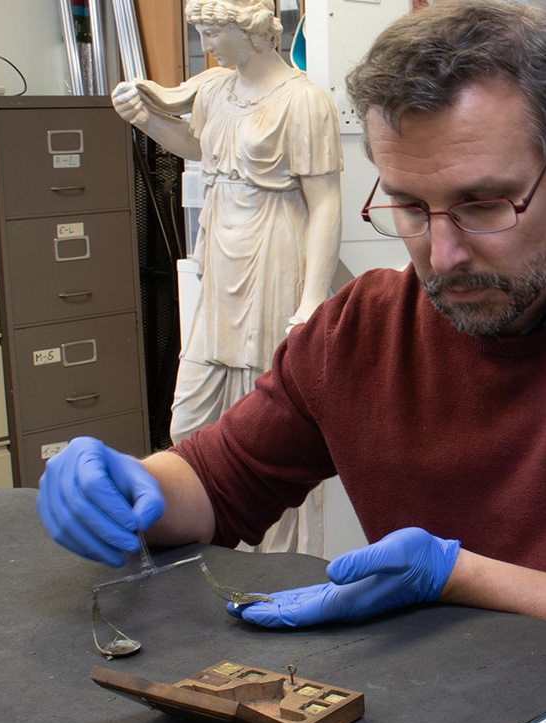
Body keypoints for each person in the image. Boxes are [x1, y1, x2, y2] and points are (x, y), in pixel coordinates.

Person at [39, 1, 546, 723]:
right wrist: (130, 485)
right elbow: (218, 483)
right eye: (409, 206)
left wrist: (457, 577)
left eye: (482, 204)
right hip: (441, 716)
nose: (441, 255)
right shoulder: (361, 328)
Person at [110, 0, 344, 553]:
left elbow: (328, 203)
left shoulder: (304, 101)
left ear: (257, 32)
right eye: (202, 31)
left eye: (215, 31)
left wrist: (312, 298)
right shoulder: (215, 88)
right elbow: (202, 146)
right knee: (189, 417)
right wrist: (146, 118)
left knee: (275, 423)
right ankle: (195, 535)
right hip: (220, 252)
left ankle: (282, 563)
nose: (209, 43)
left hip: (275, 253)